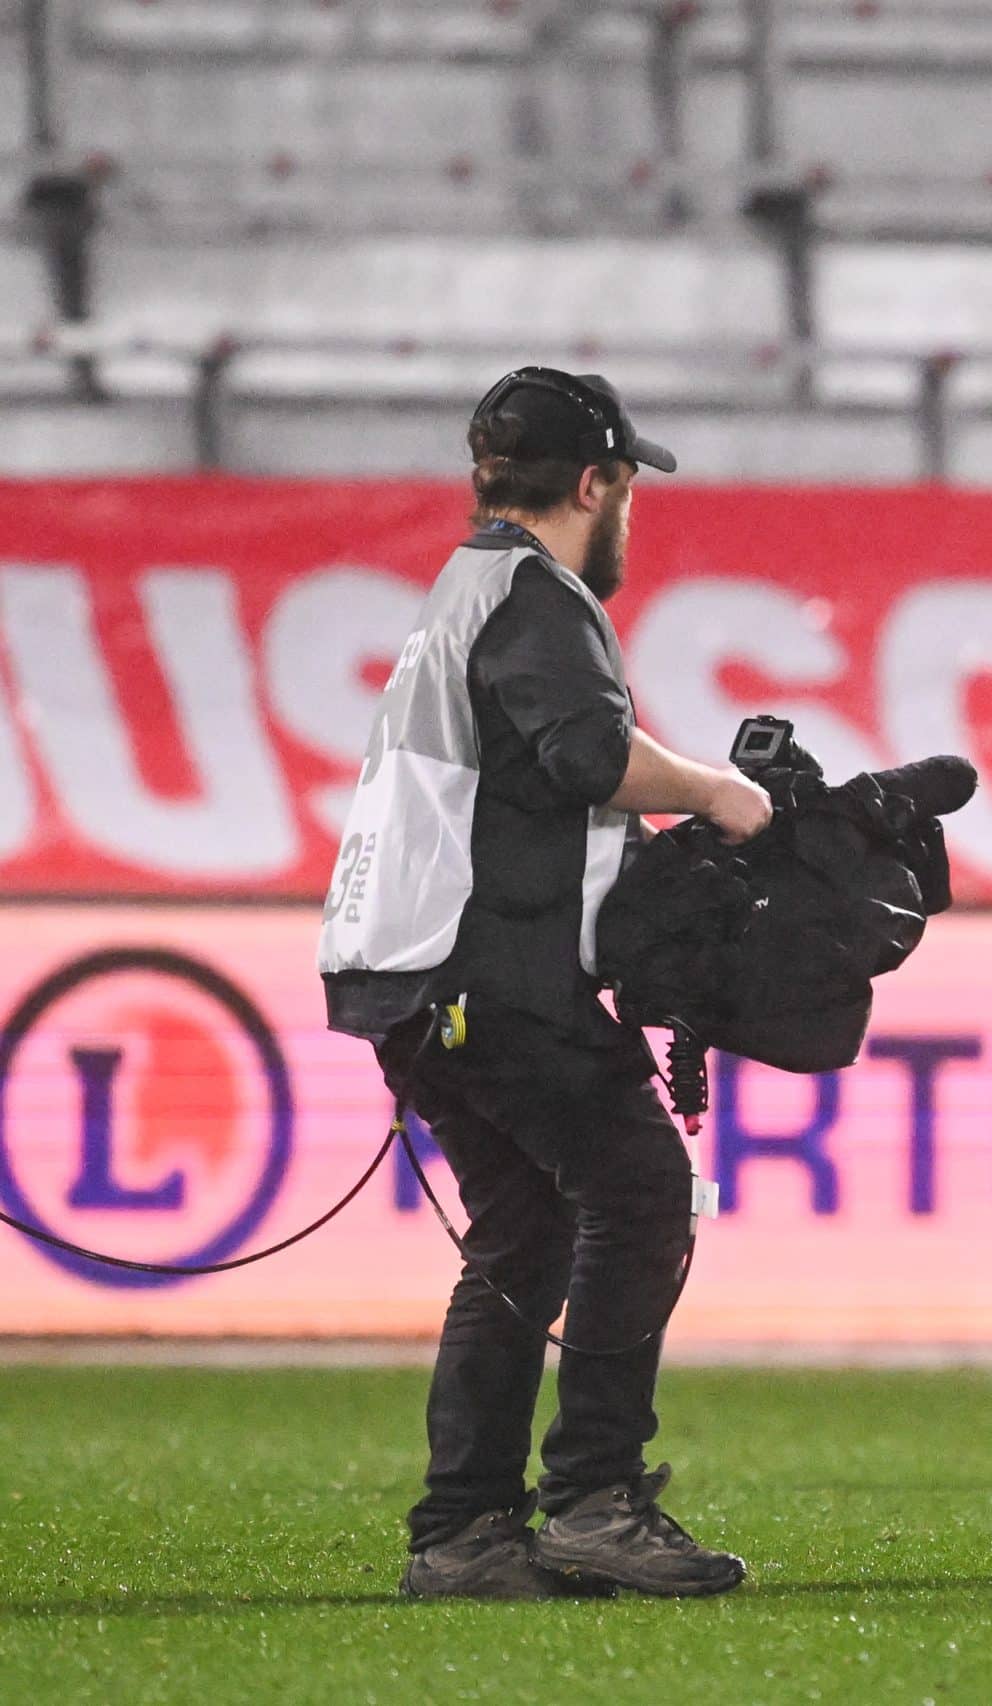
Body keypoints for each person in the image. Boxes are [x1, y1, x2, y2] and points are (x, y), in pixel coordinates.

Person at [318, 367, 768, 1601]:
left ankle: (462, 1530)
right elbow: (584, 757)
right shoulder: (533, 594)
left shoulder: (460, 593)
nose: (627, 509)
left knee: (524, 1231)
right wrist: (719, 792)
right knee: (640, 1190)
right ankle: (592, 1498)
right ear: (594, 481)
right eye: (625, 484)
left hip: (410, 967)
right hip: (485, 966)